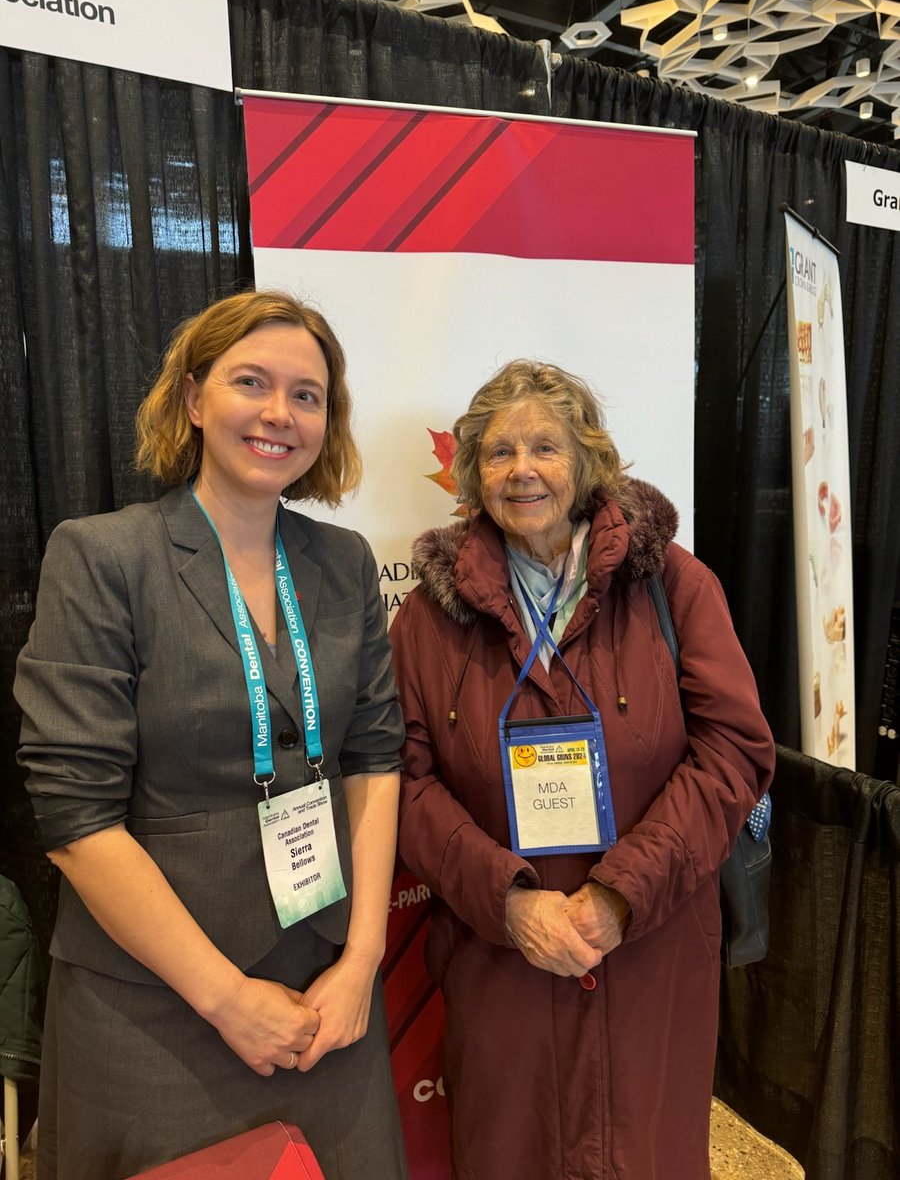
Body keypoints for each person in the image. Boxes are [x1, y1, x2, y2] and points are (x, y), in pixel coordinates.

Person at [15, 291, 408, 1180]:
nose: (280, 413)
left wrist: (364, 960)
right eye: (252, 383)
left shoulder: (344, 564)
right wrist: (226, 998)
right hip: (158, 1010)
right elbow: (77, 822)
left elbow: (374, 762)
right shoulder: (103, 558)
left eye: (307, 395)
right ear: (193, 400)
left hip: (326, 997)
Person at [389, 360, 775, 1180]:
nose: (521, 469)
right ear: (471, 473)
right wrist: (509, 901)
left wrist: (620, 893)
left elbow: (736, 748)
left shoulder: (674, 584)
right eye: (497, 453)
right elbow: (403, 781)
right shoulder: (428, 617)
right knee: (508, 1153)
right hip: (501, 963)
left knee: (646, 1152)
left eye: (545, 447)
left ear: (588, 461)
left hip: (652, 953)